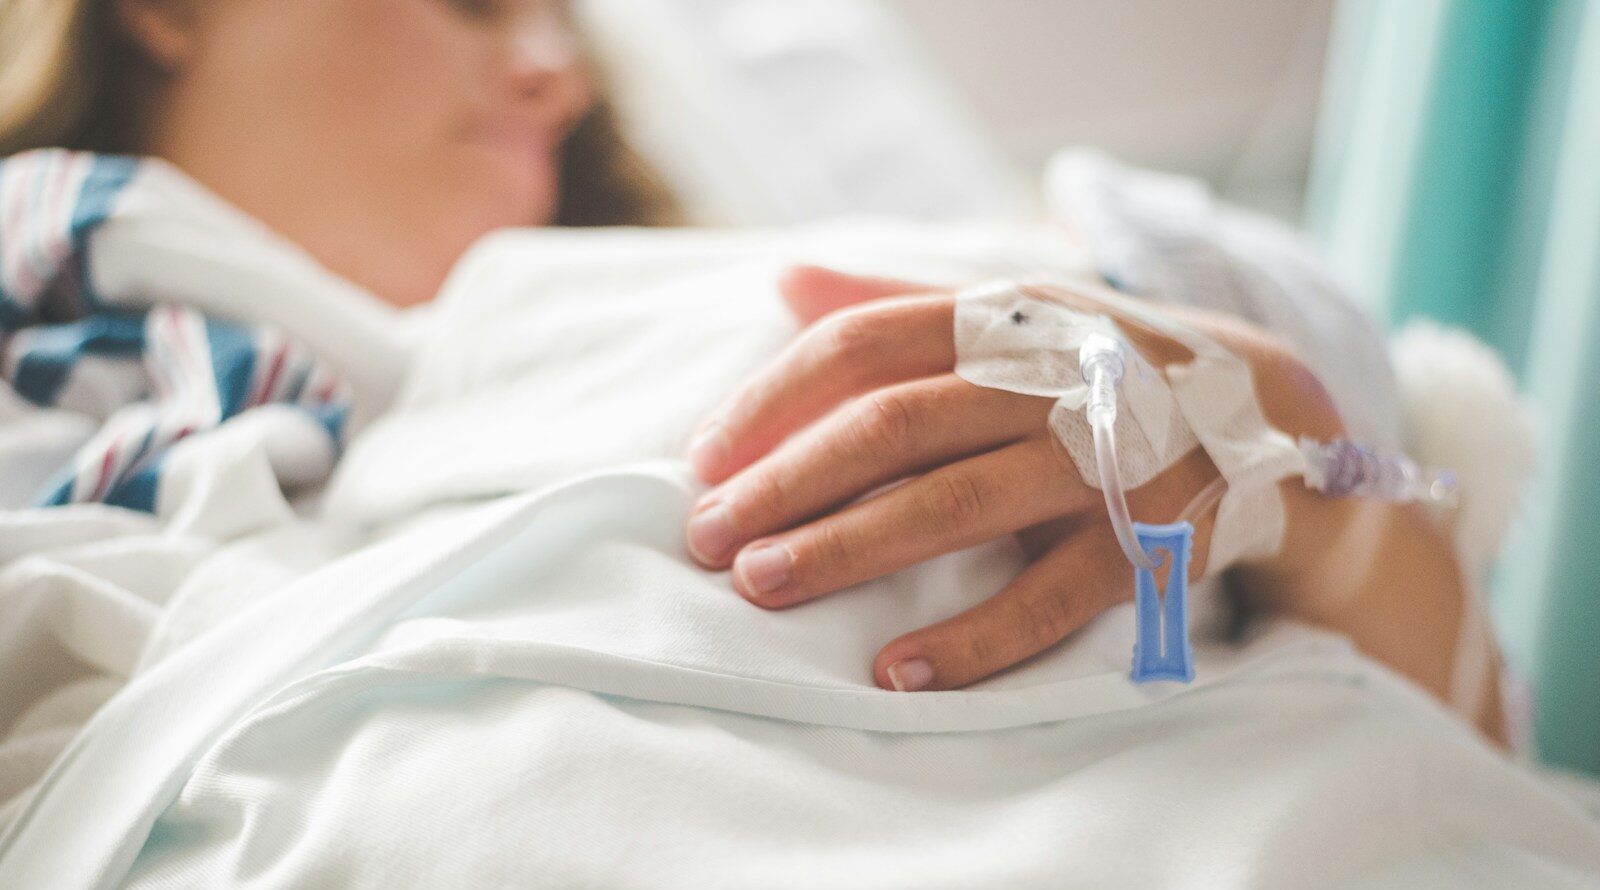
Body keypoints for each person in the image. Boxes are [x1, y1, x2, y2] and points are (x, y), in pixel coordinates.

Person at [0, 0, 1505, 746]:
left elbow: (1486, 764)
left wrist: (1301, 460)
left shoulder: (865, 290)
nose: (556, 68)